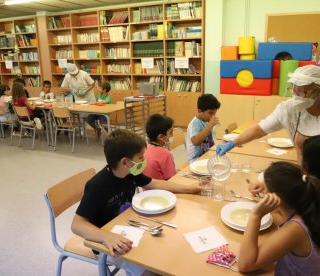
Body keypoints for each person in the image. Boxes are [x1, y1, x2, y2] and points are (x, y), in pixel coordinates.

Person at [216, 65, 320, 188]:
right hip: (307, 175)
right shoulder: (289, 108)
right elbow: (260, 129)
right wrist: (233, 142)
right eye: (295, 90)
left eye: (303, 91)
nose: (297, 95)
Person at [71, 129, 202, 276]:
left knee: (169, 252)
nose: (144, 161)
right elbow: (77, 225)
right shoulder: (97, 186)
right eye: (140, 157)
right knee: (153, 271)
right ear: (125, 162)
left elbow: (154, 184)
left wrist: (188, 189)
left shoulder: (131, 172)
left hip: (130, 226)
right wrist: (106, 237)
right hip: (105, 242)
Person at [238, 161, 320, 275]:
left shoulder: (295, 229)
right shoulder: (304, 208)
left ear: (275, 196)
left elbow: (245, 264)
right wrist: (266, 188)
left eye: (265, 189)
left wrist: (255, 216)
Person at [186, 94, 221, 163]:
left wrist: (215, 149)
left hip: (206, 155)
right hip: (195, 159)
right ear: (200, 111)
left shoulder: (206, 120)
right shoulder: (195, 123)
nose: (213, 116)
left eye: (215, 113)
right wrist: (209, 126)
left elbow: (210, 140)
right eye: (210, 113)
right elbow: (195, 142)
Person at [144, 114, 177, 180]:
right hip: (163, 189)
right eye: (170, 132)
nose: (172, 135)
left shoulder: (144, 149)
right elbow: (172, 178)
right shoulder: (166, 155)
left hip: (146, 190)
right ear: (160, 137)